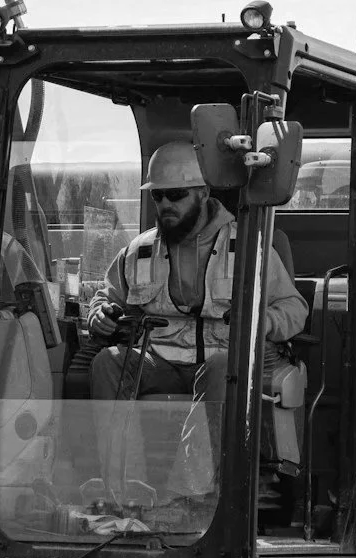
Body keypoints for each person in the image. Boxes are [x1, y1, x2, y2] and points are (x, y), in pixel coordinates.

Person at [80, 139, 306, 519]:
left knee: (223, 368)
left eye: (176, 196)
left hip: (221, 360)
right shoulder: (139, 250)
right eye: (158, 197)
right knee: (109, 362)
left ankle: (189, 499)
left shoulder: (249, 245)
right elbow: (106, 296)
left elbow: (294, 309)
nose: (165, 206)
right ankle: (128, 495)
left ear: (203, 194)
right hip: (162, 361)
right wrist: (99, 314)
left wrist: (262, 321)